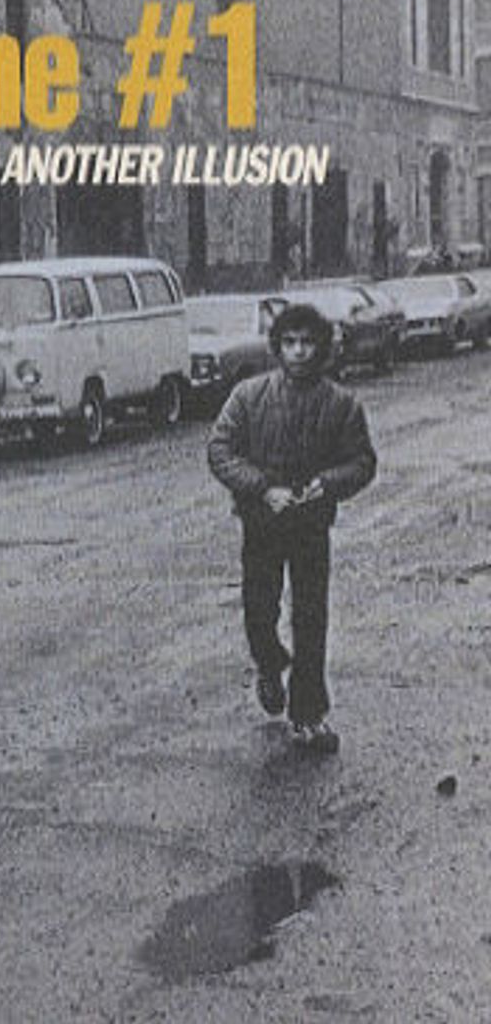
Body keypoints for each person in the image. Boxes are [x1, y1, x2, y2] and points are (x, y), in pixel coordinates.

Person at [207, 303, 377, 752]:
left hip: (310, 525)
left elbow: (362, 461)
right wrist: (262, 488)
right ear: (277, 347)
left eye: (307, 343)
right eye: (290, 342)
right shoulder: (249, 396)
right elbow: (220, 450)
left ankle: (309, 713)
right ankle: (269, 664)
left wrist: (328, 484)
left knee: (311, 616)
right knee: (259, 610)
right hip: (262, 523)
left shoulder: (341, 403)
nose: (299, 352)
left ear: (322, 348)